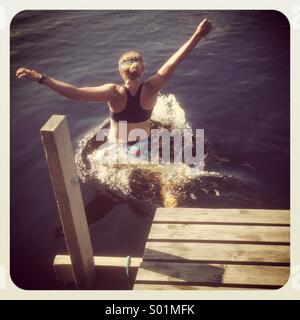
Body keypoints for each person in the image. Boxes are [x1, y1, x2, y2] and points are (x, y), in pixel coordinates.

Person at [16, 18, 211, 159]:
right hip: (145, 147)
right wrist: (197, 35)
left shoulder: (113, 93)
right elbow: (174, 61)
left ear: (120, 71)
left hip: (118, 152)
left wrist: (41, 78)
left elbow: (74, 93)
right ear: (142, 70)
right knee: (159, 176)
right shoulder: (152, 87)